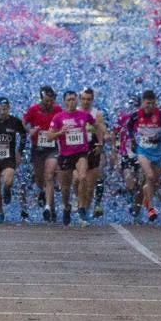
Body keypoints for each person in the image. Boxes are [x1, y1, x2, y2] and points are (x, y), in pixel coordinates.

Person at [126, 90, 161, 222]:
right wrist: (133, 140)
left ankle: (137, 207)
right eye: (147, 104)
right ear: (142, 103)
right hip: (143, 151)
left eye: (152, 104)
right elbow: (129, 126)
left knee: (150, 182)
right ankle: (151, 209)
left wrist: (159, 140)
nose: (149, 106)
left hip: (159, 153)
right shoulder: (136, 115)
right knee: (150, 176)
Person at [50, 90, 94, 226]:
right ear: (64, 101)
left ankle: (81, 207)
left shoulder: (84, 115)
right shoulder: (58, 117)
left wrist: (100, 141)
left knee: (82, 177)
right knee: (65, 188)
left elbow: (96, 126)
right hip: (65, 155)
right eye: (69, 100)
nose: (72, 102)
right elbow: (49, 136)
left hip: (81, 153)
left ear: (77, 100)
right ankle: (67, 206)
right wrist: (60, 132)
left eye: (74, 99)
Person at [23, 86, 61, 223]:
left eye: (52, 101)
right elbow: (22, 124)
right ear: (41, 99)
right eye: (47, 101)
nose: (50, 104)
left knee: (49, 175)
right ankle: (44, 195)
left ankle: (48, 208)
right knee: (40, 180)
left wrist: (58, 132)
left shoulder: (57, 110)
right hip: (37, 148)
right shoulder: (33, 110)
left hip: (52, 148)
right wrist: (30, 131)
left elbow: (63, 122)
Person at [78, 88, 109, 220]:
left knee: (90, 185)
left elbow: (102, 131)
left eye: (88, 99)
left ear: (92, 100)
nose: (86, 102)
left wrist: (101, 144)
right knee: (78, 179)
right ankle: (79, 204)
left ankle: (85, 210)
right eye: (84, 99)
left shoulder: (97, 114)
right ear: (80, 99)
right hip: (77, 150)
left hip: (92, 148)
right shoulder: (76, 112)